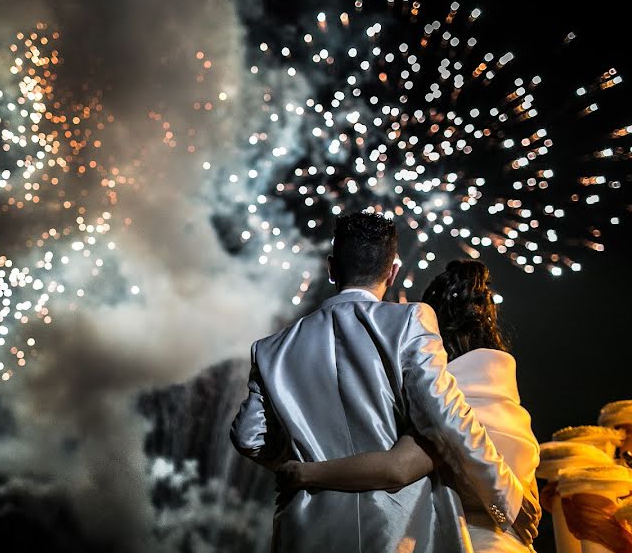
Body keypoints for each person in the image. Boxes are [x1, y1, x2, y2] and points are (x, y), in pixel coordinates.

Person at [230, 211, 540, 552]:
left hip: (306, 531)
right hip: (397, 533)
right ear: (392, 272)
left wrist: (303, 465)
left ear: (332, 268)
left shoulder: (271, 349)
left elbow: (249, 437)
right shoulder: (411, 321)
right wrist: (504, 501)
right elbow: (447, 418)